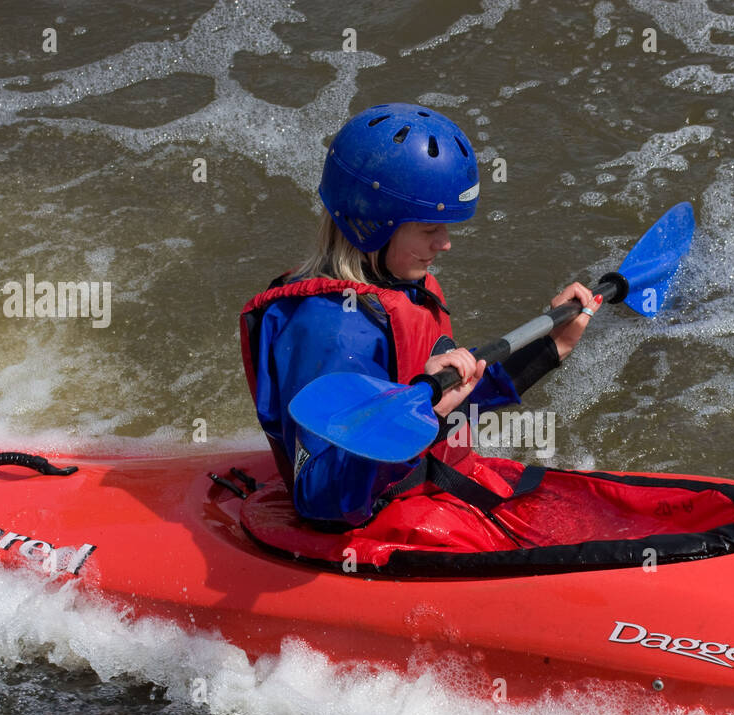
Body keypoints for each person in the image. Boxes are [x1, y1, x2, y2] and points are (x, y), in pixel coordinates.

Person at [239, 102, 600, 540]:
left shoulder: (402, 288)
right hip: (370, 532)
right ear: (372, 224)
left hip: (428, 487)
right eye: (430, 229)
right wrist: (416, 416)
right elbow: (324, 497)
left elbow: (448, 408)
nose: (445, 244)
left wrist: (552, 347)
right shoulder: (332, 330)